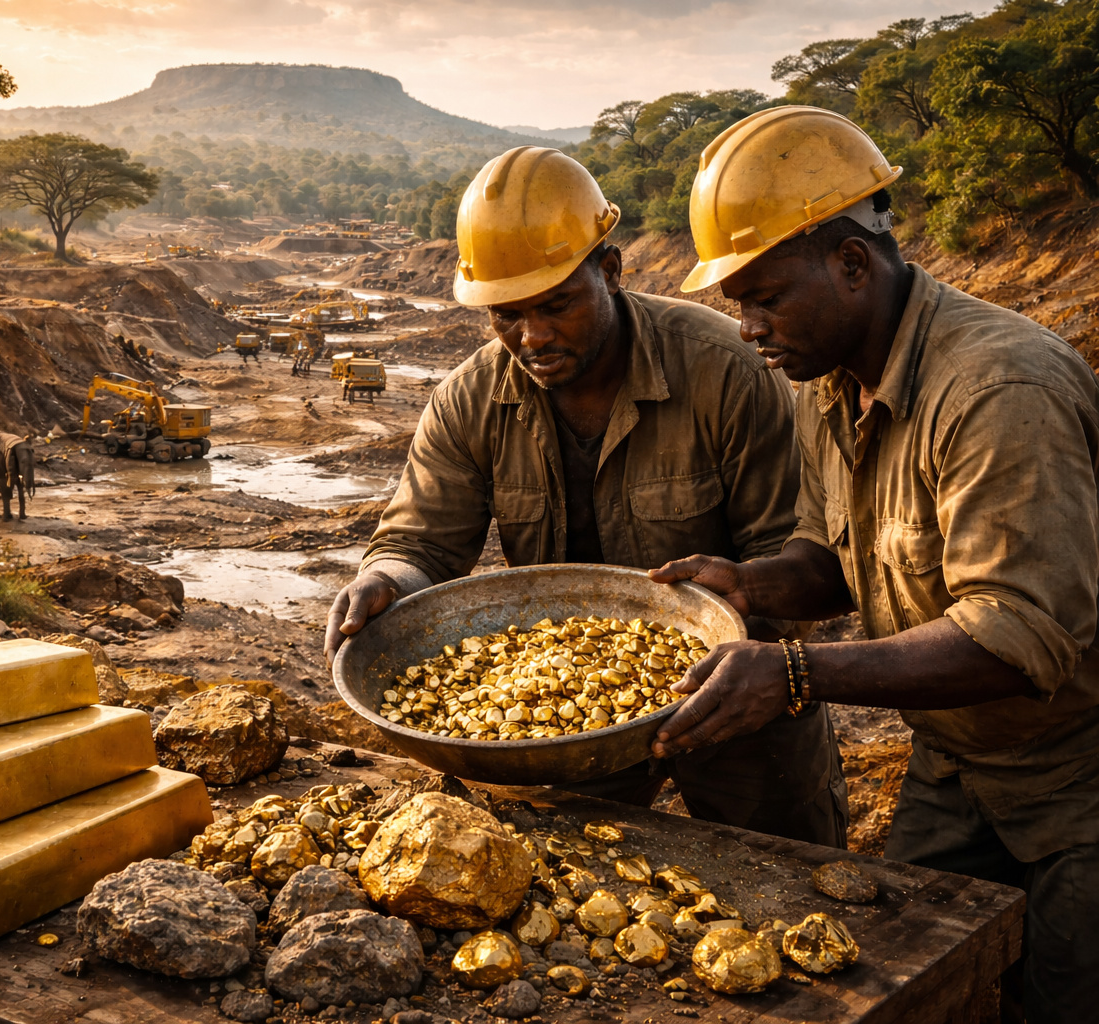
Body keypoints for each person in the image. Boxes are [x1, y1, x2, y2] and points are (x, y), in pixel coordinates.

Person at [649, 106, 1099, 1024]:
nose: (746, 329)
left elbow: (1017, 637)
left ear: (852, 263)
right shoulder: (831, 382)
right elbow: (837, 560)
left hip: (1075, 775)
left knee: (1062, 995)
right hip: (954, 764)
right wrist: (749, 584)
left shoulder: (998, 389)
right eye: (737, 303)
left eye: (764, 297)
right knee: (911, 979)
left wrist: (798, 674)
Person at [325, 146, 846, 847]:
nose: (533, 336)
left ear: (609, 271)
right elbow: (421, 540)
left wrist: (743, 645)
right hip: (556, 720)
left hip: (736, 698)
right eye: (506, 315)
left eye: (557, 305)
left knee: (792, 872)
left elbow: (793, 553)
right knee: (571, 892)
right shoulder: (469, 398)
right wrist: (383, 581)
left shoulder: (726, 370)